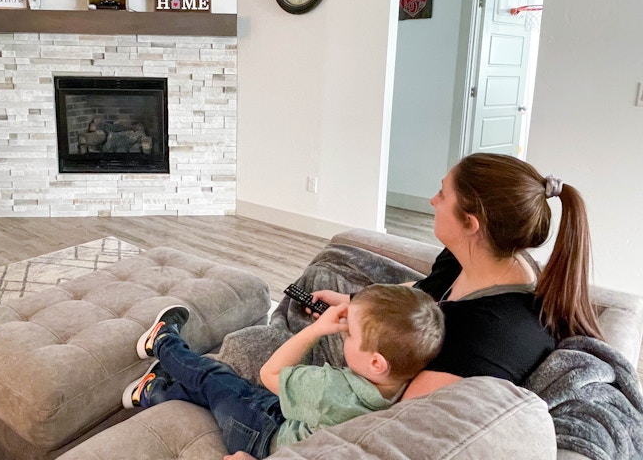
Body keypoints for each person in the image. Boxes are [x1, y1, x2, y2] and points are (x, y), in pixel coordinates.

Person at [311, 152, 603, 400]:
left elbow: (395, 420)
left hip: (365, 385)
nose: (432, 201)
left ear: (471, 223)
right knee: (320, 274)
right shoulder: (468, 255)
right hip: (372, 350)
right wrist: (354, 301)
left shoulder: (490, 333)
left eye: (443, 194)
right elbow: (424, 290)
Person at [122, 283, 444, 459]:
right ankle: (152, 390)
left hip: (261, 435)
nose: (341, 333)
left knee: (214, 377)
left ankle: (162, 341)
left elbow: (270, 373)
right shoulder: (407, 387)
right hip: (289, 424)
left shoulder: (328, 390)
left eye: (349, 334)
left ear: (376, 363)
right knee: (223, 391)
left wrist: (316, 329)